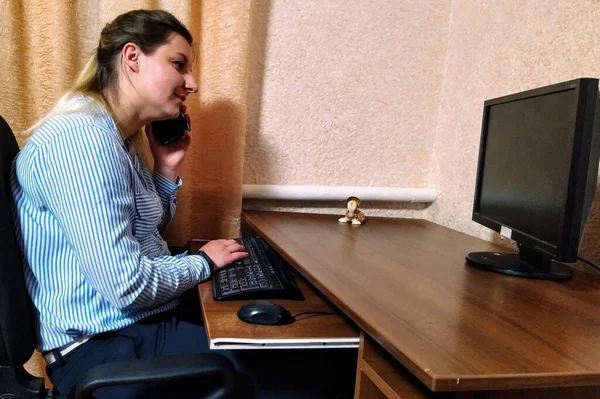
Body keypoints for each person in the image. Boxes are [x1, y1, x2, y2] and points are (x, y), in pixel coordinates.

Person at [10, 9, 355, 399]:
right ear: (132, 58)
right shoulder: (81, 141)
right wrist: (204, 262)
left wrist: (166, 167)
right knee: (317, 376)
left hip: (130, 329)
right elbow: (126, 286)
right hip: (106, 347)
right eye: (179, 65)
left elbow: (144, 230)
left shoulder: (115, 136)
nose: (191, 83)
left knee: (301, 343)